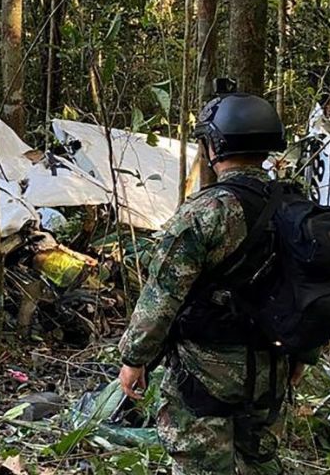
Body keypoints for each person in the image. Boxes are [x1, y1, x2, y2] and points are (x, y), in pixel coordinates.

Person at [116, 89, 307, 474]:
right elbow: (315, 287)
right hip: (272, 370)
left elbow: (162, 296)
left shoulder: (207, 212)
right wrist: (303, 355)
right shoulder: (296, 207)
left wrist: (134, 359)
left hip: (204, 374)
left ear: (215, 145)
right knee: (260, 463)